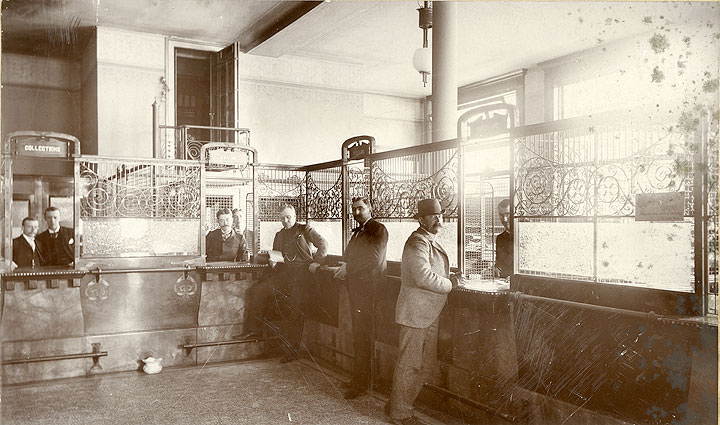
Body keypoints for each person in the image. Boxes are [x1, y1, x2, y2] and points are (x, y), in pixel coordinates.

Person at [387, 199, 458, 425]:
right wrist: (450, 284)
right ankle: (400, 414)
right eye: (433, 216)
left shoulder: (427, 239)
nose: (439, 219)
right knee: (410, 365)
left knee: (420, 366)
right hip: (416, 314)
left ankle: (398, 404)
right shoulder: (417, 242)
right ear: (421, 219)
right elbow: (422, 276)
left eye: (440, 215)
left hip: (426, 313)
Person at [240, 204, 327, 363]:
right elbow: (277, 255)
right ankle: (255, 331)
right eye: (282, 218)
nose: (285, 221)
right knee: (258, 291)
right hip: (284, 275)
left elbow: (323, 244)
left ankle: (292, 351)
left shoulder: (304, 230)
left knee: (294, 311)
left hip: (301, 276)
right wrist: (272, 261)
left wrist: (317, 262)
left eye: (288, 217)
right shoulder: (279, 235)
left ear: (295, 216)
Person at [334, 196, 388, 399]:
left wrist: (348, 268)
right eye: (354, 209)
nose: (356, 212)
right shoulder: (358, 231)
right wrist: (343, 266)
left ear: (370, 208)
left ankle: (362, 383)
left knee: (364, 336)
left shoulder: (378, 230)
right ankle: (360, 379)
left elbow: (374, 258)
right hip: (357, 290)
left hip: (370, 292)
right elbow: (349, 256)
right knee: (360, 336)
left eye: (361, 208)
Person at [494, 199, 513, 279]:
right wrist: (495, 268)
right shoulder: (500, 238)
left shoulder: (522, 236)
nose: (504, 219)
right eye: (501, 215)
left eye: (507, 214)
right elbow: (499, 264)